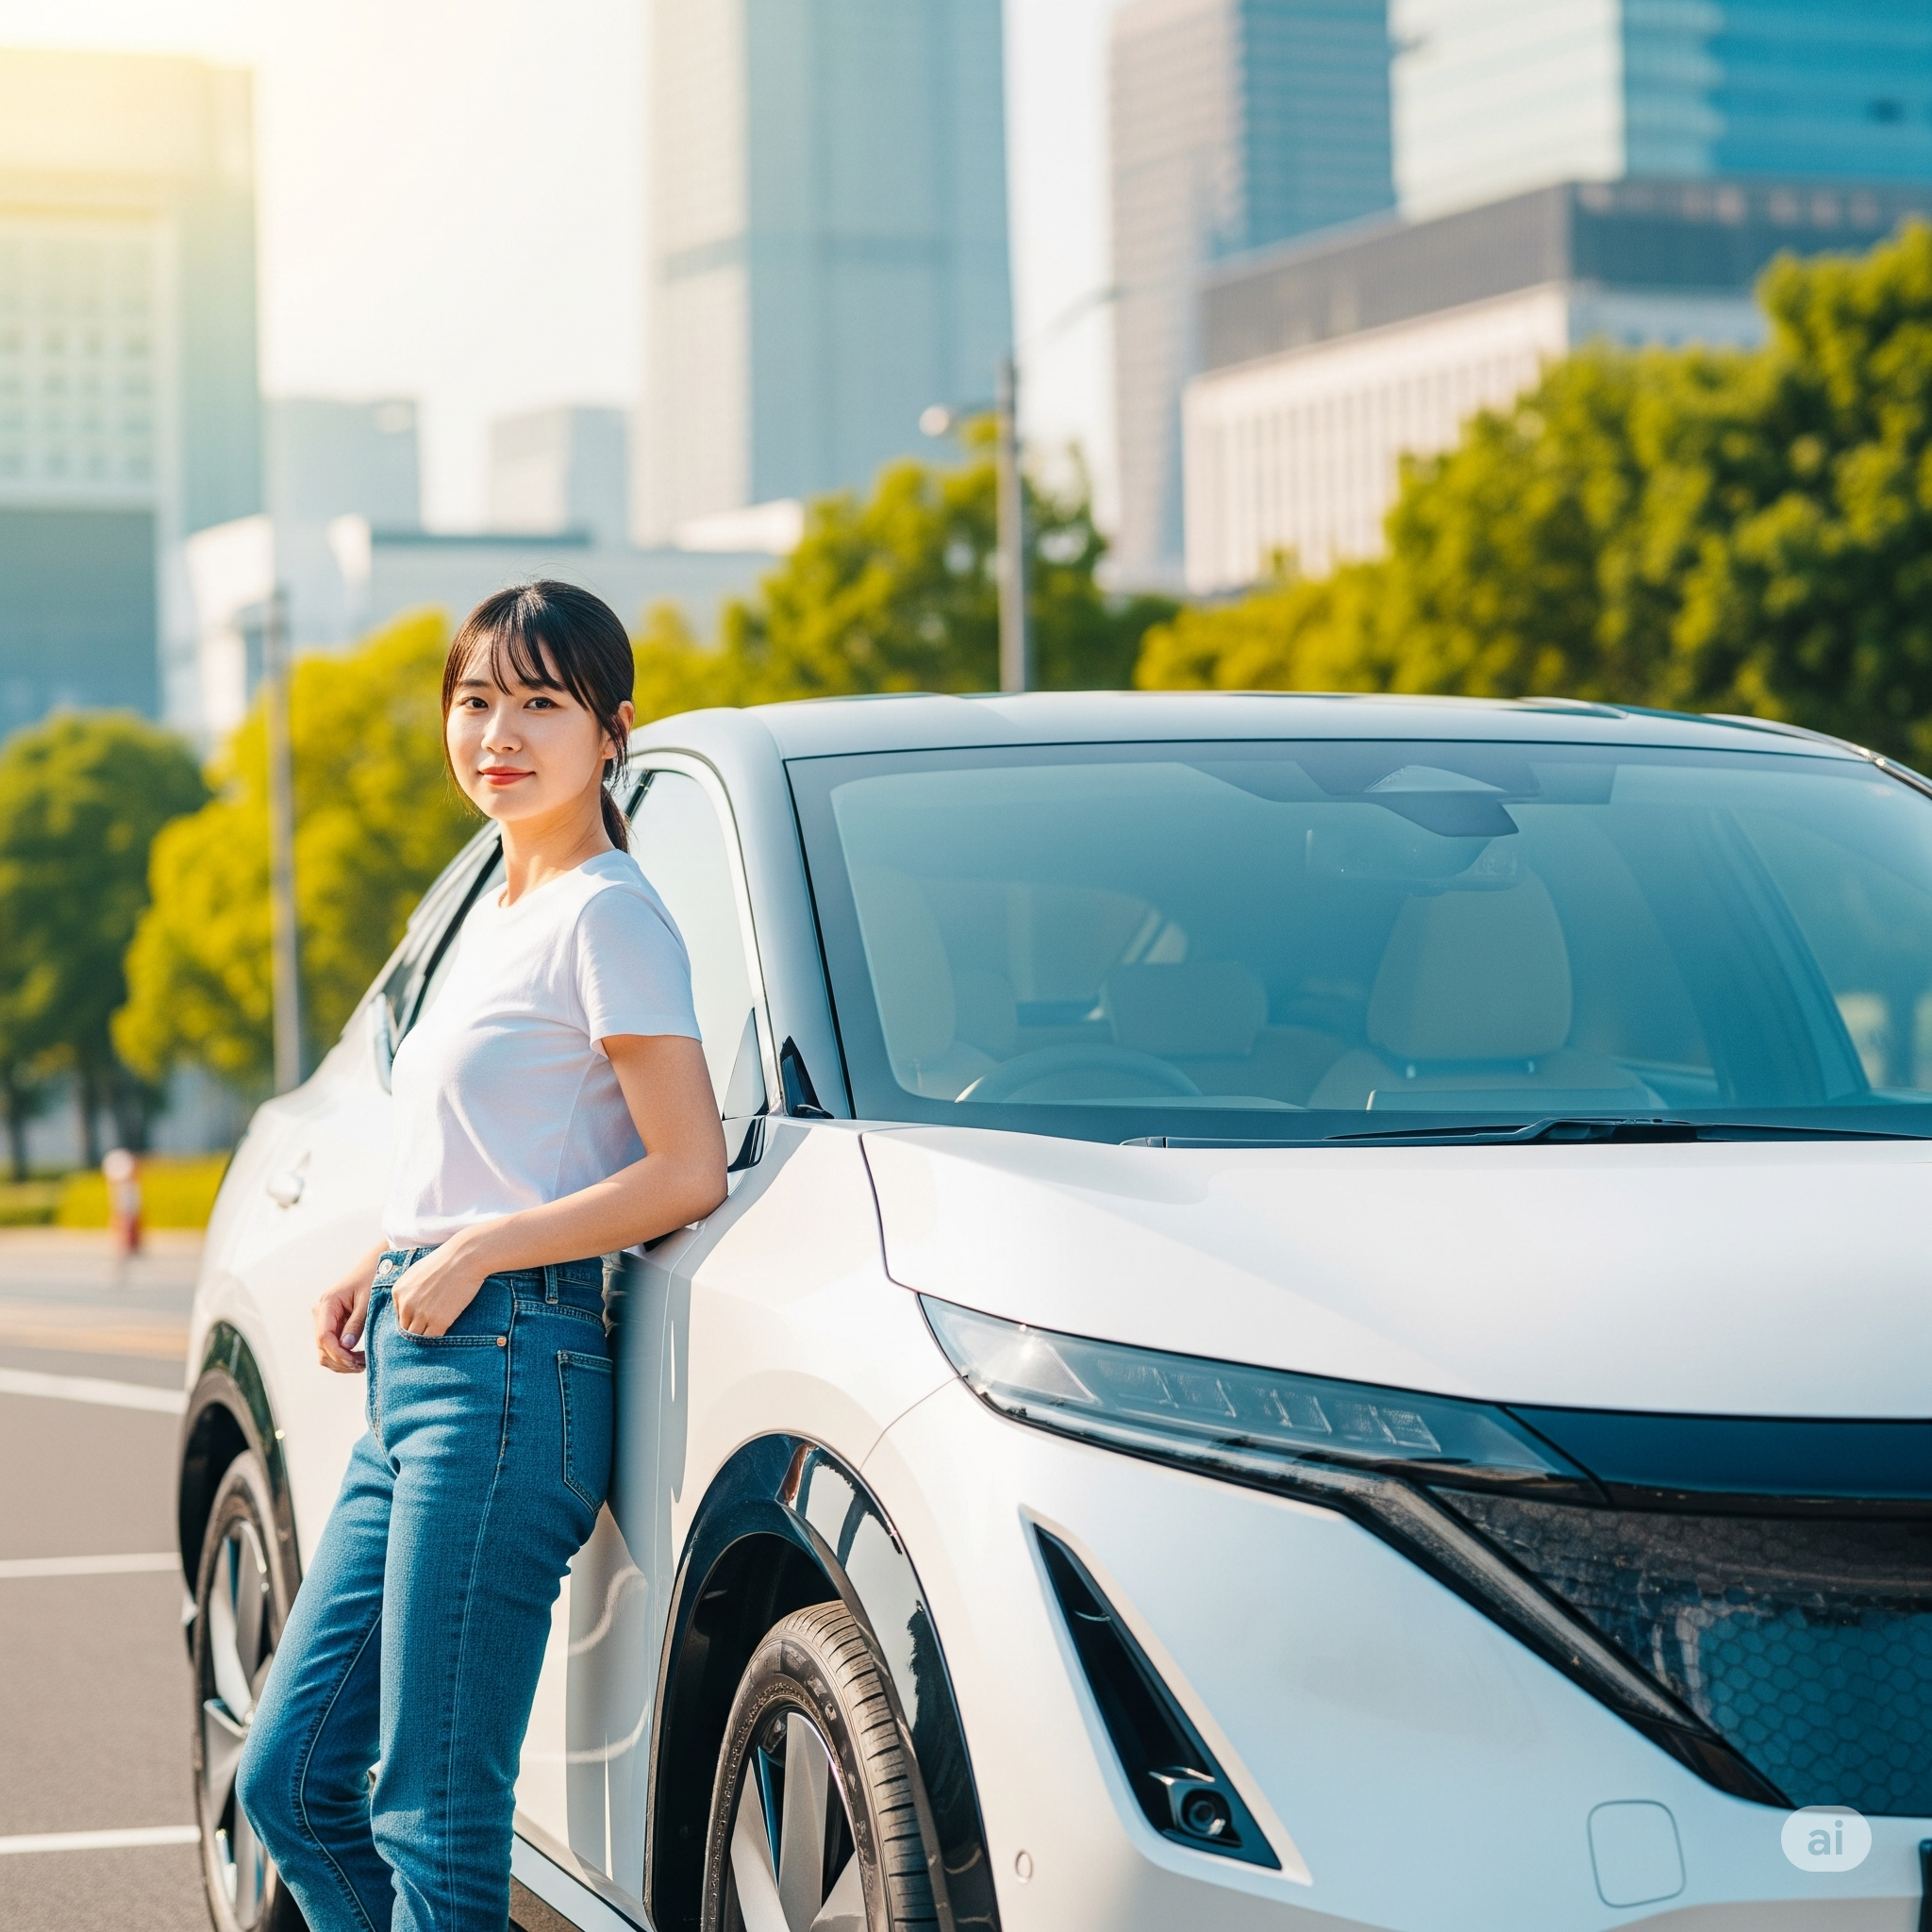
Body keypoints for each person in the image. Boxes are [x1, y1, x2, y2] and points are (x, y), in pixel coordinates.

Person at [236, 581, 728, 1931]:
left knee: (434, 1814)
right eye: (475, 700)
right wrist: (389, 1257)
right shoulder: (495, 909)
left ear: (614, 730)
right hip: (425, 1360)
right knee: (292, 1784)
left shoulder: (607, 914)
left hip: (511, 1378)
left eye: (540, 702)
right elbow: (508, 1139)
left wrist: (486, 1248)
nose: (498, 731)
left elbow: (687, 1167)